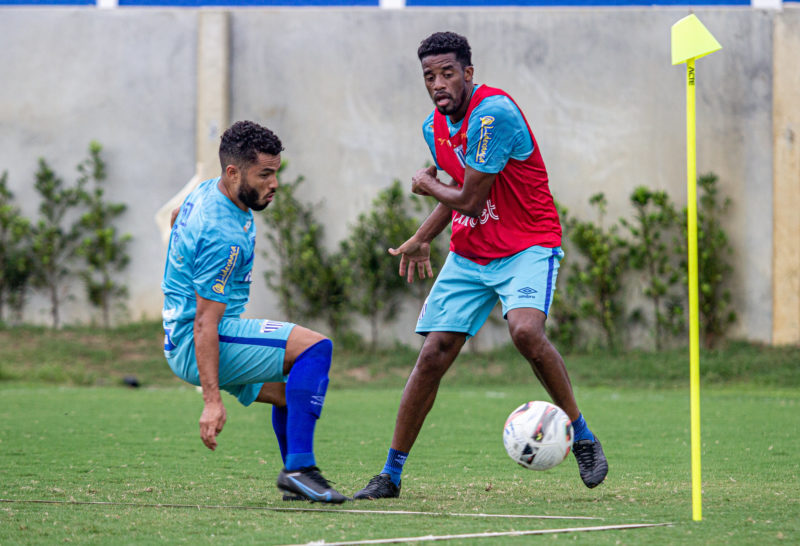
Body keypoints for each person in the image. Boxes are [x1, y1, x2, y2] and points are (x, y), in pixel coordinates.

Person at [354, 32, 608, 500]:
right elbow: (461, 188)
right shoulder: (434, 127)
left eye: (447, 73)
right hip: (472, 252)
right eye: (429, 76)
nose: (438, 84)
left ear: (468, 73)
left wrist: (426, 185)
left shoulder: (493, 113)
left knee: (526, 333)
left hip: (528, 244)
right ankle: (390, 474)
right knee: (432, 356)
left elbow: (469, 199)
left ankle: (583, 436)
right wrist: (421, 237)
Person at [161, 120, 347, 503]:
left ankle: (297, 478)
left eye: (275, 173)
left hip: (188, 336)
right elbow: (204, 324)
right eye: (265, 174)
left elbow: (177, 215)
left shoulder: (208, 192)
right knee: (315, 348)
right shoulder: (221, 235)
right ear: (233, 173)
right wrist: (212, 401)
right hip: (198, 339)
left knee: (287, 393)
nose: (274, 184)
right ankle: (299, 469)